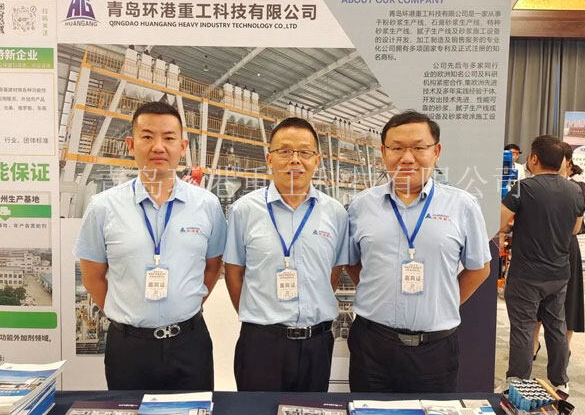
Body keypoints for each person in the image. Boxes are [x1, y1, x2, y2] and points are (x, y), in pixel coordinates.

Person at [74, 101, 227, 390]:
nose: (158, 147)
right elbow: (93, 276)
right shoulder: (103, 207)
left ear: (182, 147)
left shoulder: (207, 205)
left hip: (190, 343)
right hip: (128, 347)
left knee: (192, 409)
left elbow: (212, 267)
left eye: (168, 138)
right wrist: (128, 317)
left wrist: (185, 305)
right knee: (129, 409)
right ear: (131, 145)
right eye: (147, 136)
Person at [346, 110, 491, 392]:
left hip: (435, 350)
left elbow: (479, 269)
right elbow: (352, 262)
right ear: (383, 152)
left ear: (436, 151)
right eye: (397, 148)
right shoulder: (361, 206)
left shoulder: (462, 206)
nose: (407, 158)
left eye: (418, 148)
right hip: (371, 346)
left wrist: (442, 302)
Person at [223, 116, 349, 392]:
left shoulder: (335, 213)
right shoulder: (245, 210)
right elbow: (234, 273)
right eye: (285, 151)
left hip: (317, 343)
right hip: (261, 344)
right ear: (269, 159)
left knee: (310, 409)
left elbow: (332, 272)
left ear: (317, 160)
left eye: (304, 152)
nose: (295, 160)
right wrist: (261, 317)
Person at [500, 135, 585, 394]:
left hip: (526, 273)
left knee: (523, 328)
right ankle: (560, 381)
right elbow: (575, 229)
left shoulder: (522, 187)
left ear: (534, 158)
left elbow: (500, 222)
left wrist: (516, 226)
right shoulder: (575, 190)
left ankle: (517, 382)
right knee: (556, 326)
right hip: (559, 272)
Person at [532, 144, 585, 359]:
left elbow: (574, 223)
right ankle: (533, 342)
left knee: (570, 298)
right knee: (536, 297)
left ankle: (565, 346)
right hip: (539, 245)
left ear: (569, 163)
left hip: (567, 247)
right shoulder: (534, 185)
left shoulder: (579, 187)